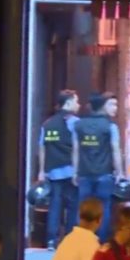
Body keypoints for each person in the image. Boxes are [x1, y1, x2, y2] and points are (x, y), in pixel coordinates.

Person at [73, 92, 125, 243]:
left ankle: (82, 239)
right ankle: (100, 240)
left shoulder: (79, 125)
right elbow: (115, 149)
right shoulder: (110, 126)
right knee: (104, 207)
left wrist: (75, 171)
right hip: (105, 173)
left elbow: (76, 150)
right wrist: (120, 172)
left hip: (84, 173)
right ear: (102, 106)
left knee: (83, 207)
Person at [39, 89, 81, 250]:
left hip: (53, 172)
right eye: (76, 101)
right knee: (72, 206)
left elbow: (42, 148)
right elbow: (76, 148)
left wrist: (42, 171)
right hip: (70, 171)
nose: (78, 105)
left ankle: (51, 240)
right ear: (68, 103)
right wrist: (77, 171)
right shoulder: (74, 122)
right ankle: (70, 239)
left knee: (55, 204)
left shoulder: (47, 124)